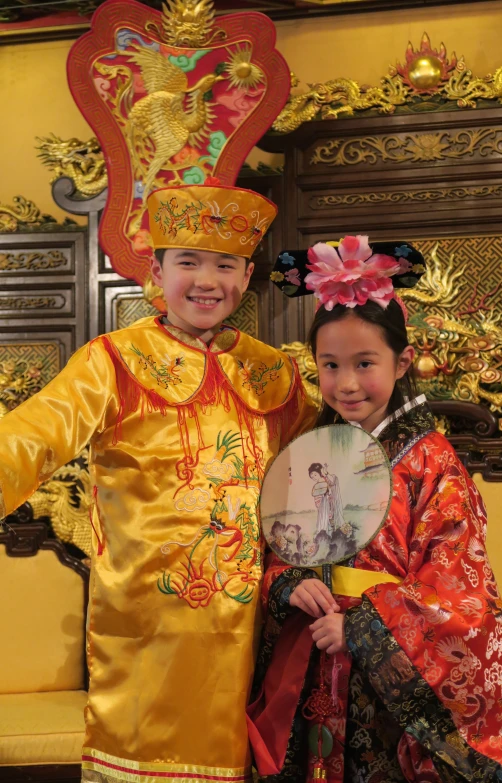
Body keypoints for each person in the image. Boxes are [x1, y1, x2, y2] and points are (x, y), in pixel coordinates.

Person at [0, 179, 317, 783]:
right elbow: (36, 432)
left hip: (254, 628)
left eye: (224, 265)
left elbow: (316, 468)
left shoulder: (274, 374)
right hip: (147, 630)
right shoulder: (112, 360)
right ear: (158, 269)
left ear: (245, 278)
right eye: (188, 262)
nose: (206, 280)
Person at [249, 235, 502, 782]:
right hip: (318, 667)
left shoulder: (431, 463)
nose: (345, 385)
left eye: (364, 362)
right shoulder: (313, 451)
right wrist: (290, 582)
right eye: (329, 365)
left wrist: (366, 626)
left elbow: (460, 593)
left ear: (403, 362)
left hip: (390, 675)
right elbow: (283, 546)